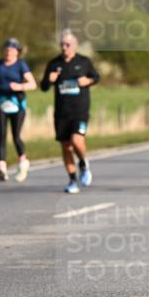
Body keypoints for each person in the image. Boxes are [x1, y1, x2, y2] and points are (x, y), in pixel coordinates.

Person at [40, 30, 100, 194]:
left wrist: (87, 80)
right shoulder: (54, 64)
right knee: (66, 147)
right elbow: (43, 87)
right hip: (61, 112)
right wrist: (49, 80)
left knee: (76, 140)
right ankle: (72, 179)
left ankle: (83, 162)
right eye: (62, 45)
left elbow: (96, 77)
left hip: (80, 110)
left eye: (67, 45)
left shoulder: (84, 62)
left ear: (75, 45)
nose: (64, 47)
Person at [0, 38, 37, 182]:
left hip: (17, 103)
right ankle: (2, 168)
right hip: (0, 102)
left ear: (17, 52)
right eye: (6, 49)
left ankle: (23, 163)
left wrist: (19, 86)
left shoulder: (21, 65)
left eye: (11, 49)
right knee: (1, 135)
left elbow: (33, 84)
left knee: (16, 135)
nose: (8, 52)